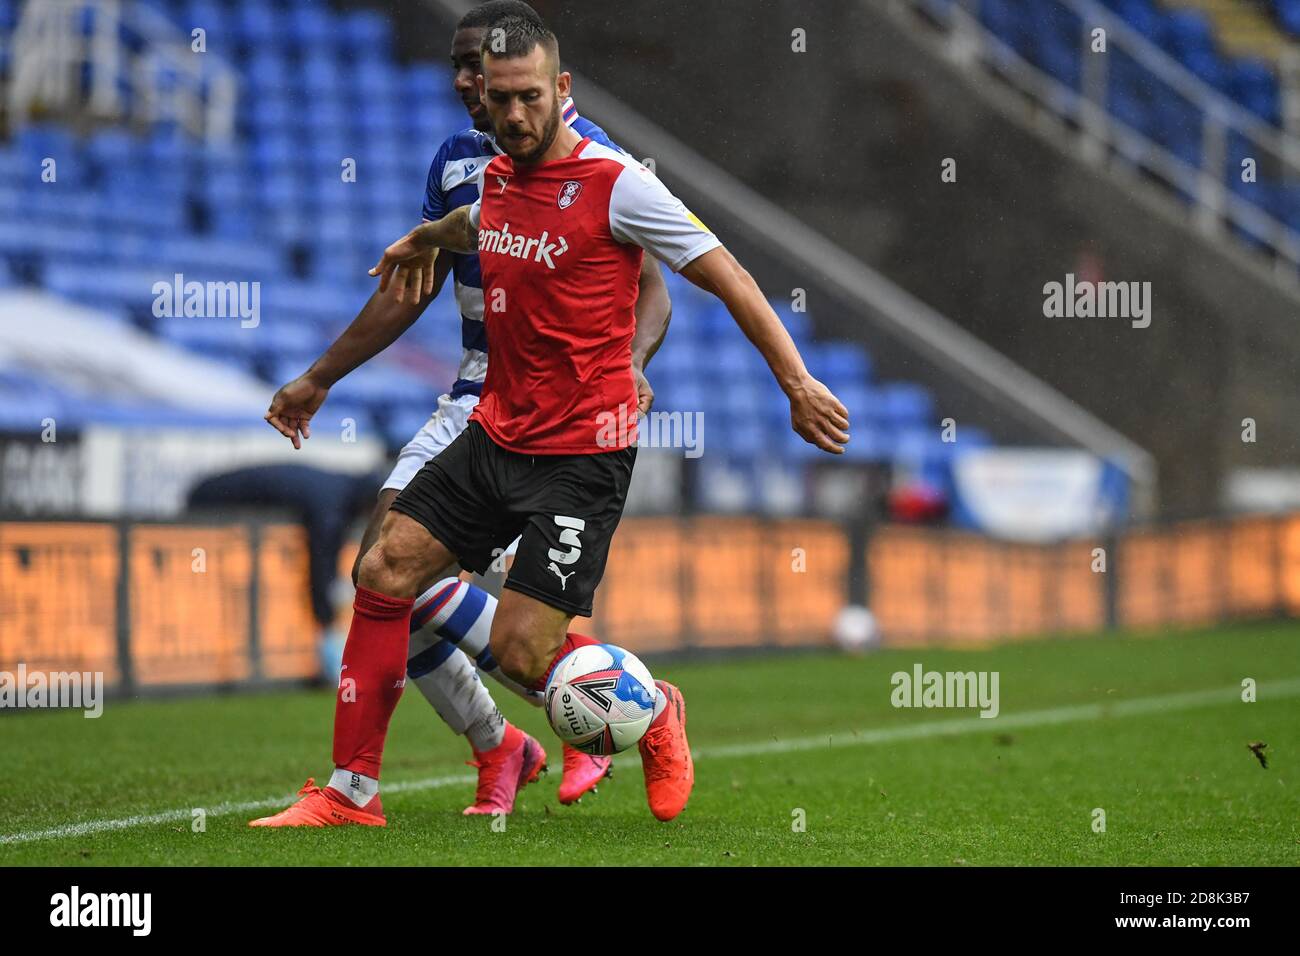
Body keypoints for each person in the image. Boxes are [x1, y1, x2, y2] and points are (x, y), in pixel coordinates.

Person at [253, 15, 848, 829]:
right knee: (386, 568)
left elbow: (728, 274)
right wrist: (423, 236)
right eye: (500, 99)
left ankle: (656, 710)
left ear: (562, 91)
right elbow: (478, 223)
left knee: (528, 652)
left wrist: (796, 381)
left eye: (530, 97)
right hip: (494, 430)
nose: (514, 115)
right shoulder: (491, 173)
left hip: (582, 455)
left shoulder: (618, 182)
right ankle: (351, 791)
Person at [260, 1, 671, 815]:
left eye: (478, 65)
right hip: (475, 399)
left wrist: (629, 363)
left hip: (567, 418)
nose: (464, 81)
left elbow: (655, 290)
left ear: (541, 83)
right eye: (461, 66)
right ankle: (497, 747)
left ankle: (606, 708)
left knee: (463, 607)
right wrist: (320, 377)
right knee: (385, 569)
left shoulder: (601, 163)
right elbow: (413, 287)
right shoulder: (458, 163)